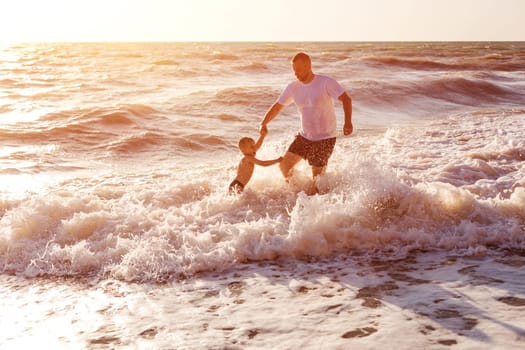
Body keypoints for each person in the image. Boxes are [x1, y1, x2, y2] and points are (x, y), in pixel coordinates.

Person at [260, 52, 353, 194]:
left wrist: (348, 123)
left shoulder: (325, 82)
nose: (296, 73)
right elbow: (278, 106)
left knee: (318, 181)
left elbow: (346, 99)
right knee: (285, 165)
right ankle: (298, 194)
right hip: (305, 137)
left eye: (298, 69)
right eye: (294, 70)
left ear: (308, 66)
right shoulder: (293, 87)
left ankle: (321, 204)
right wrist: (264, 123)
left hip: (325, 138)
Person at [229, 125, 283, 194]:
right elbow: (263, 164)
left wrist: (262, 136)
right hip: (237, 185)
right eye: (252, 147)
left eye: (254, 146)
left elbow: (257, 146)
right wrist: (277, 160)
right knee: (235, 201)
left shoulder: (249, 154)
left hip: (238, 184)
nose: (254, 148)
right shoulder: (248, 158)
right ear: (243, 151)